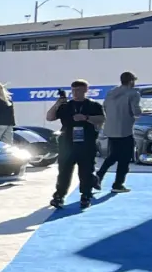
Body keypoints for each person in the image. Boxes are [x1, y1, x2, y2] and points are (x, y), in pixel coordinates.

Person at [46, 80, 106, 209]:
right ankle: (59, 196)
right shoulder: (66, 106)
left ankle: (86, 195)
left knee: (86, 170)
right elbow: (49, 117)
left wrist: (86, 118)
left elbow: (102, 119)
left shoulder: (93, 105)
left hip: (86, 143)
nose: (75, 93)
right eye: (73, 90)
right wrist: (57, 104)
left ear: (85, 90)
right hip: (67, 143)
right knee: (64, 171)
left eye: (78, 90)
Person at [95, 71, 141, 193]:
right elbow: (136, 111)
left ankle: (99, 175)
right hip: (125, 130)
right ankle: (118, 184)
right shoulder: (133, 93)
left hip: (111, 129)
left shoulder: (111, 92)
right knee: (125, 157)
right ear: (131, 81)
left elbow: (104, 107)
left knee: (114, 155)